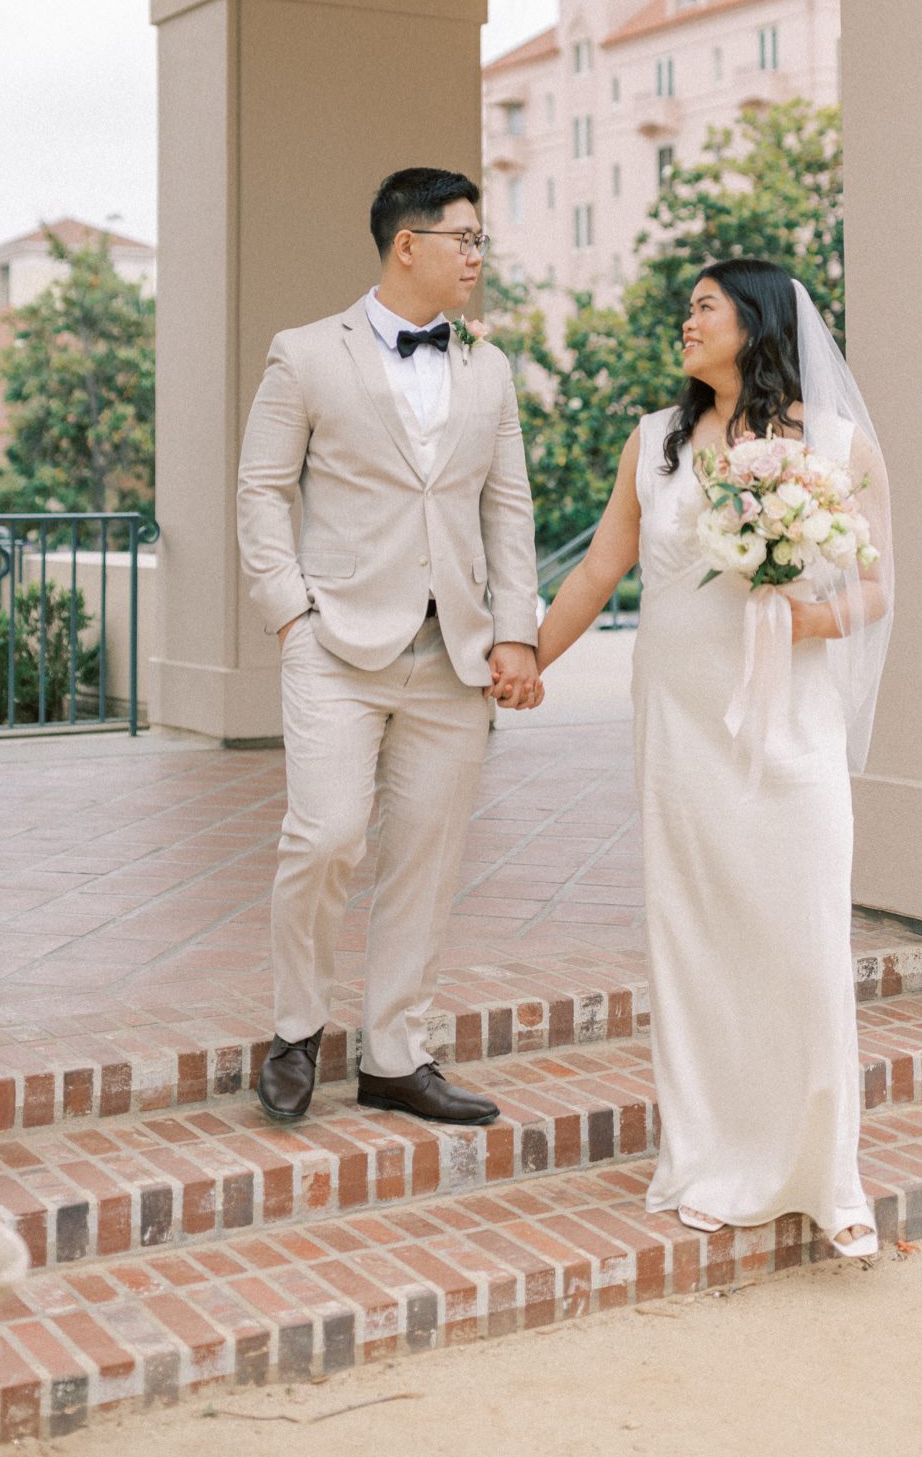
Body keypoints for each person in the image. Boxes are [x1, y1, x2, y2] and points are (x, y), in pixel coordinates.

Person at [536, 259, 893, 1258]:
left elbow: (875, 585)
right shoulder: (652, 442)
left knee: (805, 935)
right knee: (697, 942)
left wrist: (810, 611)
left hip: (794, 731)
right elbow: (600, 568)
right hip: (683, 727)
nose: (685, 320)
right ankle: (712, 1156)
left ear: (758, 318)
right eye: (686, 307)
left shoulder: (834, 444)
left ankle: (831, 1174)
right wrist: (523, 659)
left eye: (704, 304)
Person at [237, 167, 541, 1128]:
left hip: (453, 652)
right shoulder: (303, 354)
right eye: (465, 238)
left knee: (427, 855)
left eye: (481, 240)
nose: (478, 256)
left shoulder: (488, 368)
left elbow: (509, 507)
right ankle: (296, 1030)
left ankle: (397, 1055)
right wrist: (290, 611)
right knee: (324, 836)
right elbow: (260, 488)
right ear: (407, 244)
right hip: (336, 645)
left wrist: (517, 633)